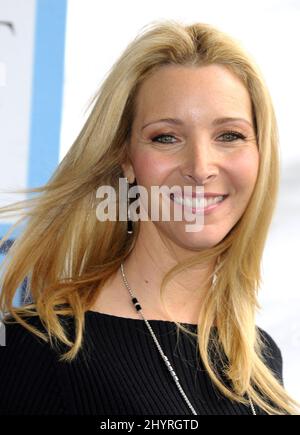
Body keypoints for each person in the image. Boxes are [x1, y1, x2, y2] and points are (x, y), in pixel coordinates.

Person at [0, 19, 299, 416]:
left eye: (229, 135)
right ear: (126, 160)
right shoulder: (43, 346)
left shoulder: (258, 358)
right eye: (166, 137)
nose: (200, 166)